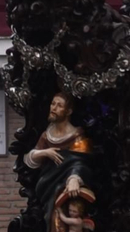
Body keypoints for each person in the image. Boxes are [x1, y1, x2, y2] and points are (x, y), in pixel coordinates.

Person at [24, 93, 95, 227]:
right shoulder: (47, 135)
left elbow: (81, 162)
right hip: (46, 186)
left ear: (68, 111)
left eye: (59, 105)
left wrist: (74, 177)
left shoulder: (76, 135)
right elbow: (30, 159)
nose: (54, 108)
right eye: (53, 104)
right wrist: (45, 152)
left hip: (67, 190)